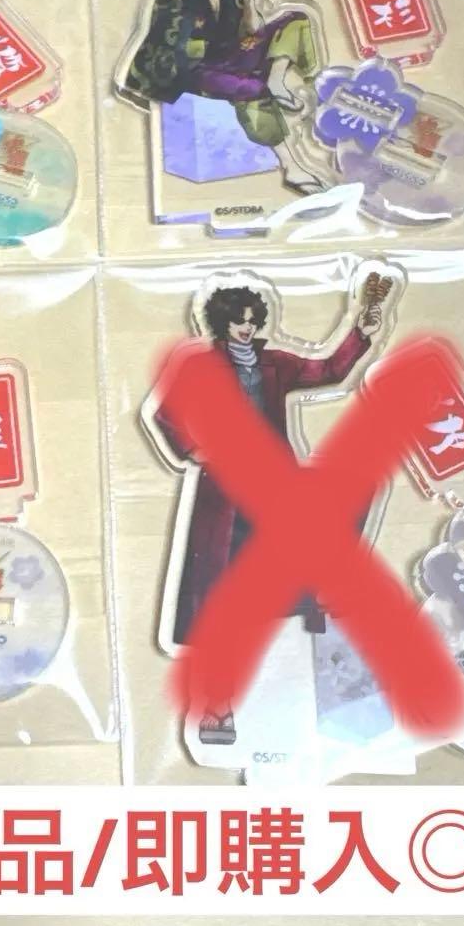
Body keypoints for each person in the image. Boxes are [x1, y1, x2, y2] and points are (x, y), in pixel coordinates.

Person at [150, 283, 382, 744]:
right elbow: (166, 416)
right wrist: (195, 449)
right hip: (227, 498)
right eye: (240, 320)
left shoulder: (275, 362)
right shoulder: (199, 365)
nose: (247, 328)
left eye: (253, 321)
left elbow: (328, 370)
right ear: (222, 322)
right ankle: (216, 709)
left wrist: (361, 332)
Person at [122, 0, 322, 191]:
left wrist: (249, 1)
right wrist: (222, 47)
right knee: (251, 88)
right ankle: (291, 167)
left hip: (231, 56)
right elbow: (168, 42)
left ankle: (279, 80)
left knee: (295, 19)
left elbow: (253, 31)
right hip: (194, 67)